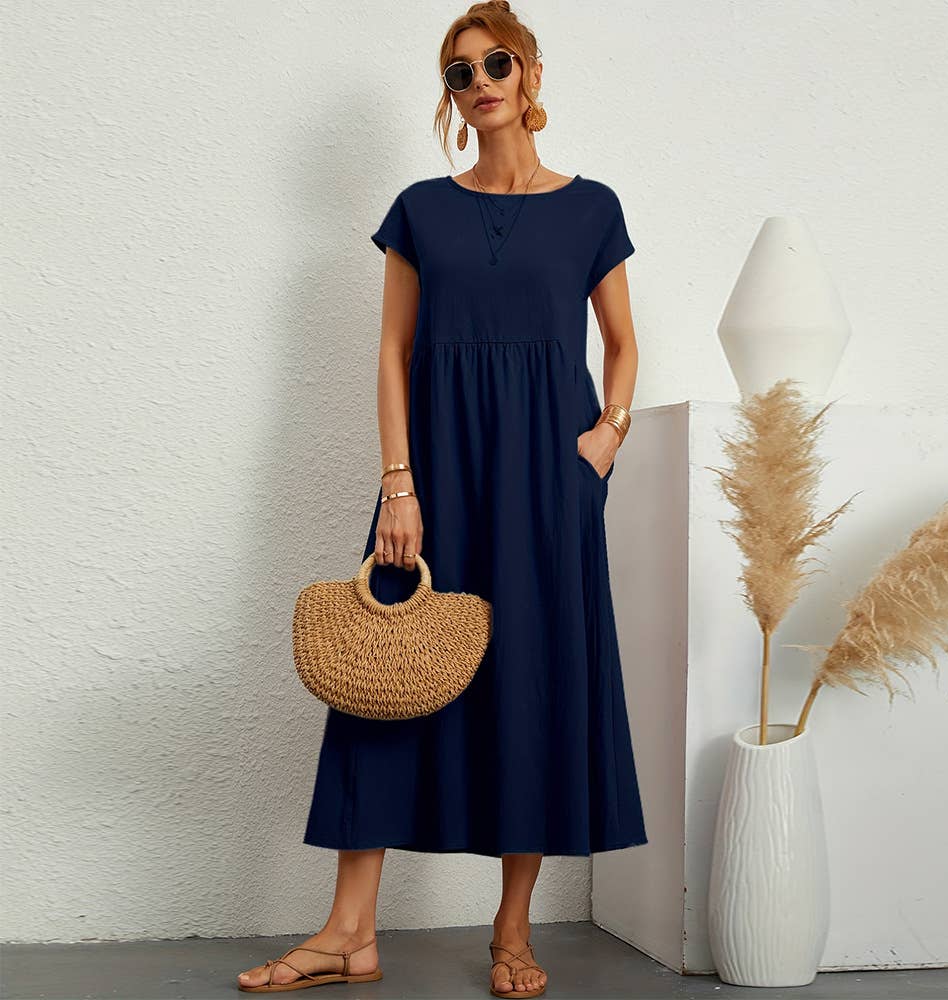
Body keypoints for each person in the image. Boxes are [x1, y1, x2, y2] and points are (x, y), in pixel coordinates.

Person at [237, 1, 646, 995]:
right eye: (460, 73)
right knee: (382, 670)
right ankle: (349, 931)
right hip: (436, 473)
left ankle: (512, 930)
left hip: (548, 478)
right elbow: (392, 352)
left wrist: (604, 440)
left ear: (531, 73)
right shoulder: (422, 209)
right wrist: (398, 483)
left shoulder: (592, 209)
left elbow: (623, 344)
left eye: (496, 63)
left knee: (533, 681)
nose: (480, 83)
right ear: (451, 98)